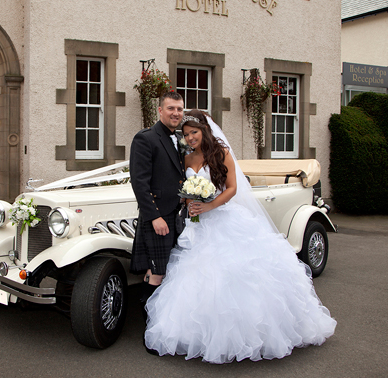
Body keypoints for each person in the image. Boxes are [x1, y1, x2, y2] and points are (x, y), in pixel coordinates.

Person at [144, 109, 337, 363]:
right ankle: (197, 335)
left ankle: (243, 335)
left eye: (194, 132)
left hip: (224, 217)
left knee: (232, 274)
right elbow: (184, 188)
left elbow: (232, 188)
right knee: (197, 277)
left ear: (205, 130)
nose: (190, 138)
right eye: (186, 134)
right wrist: (191, 201)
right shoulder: (187, 158)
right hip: (198, 225)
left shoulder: (221, 153)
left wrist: (210, 205)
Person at [130, 91, 185, 334]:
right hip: (159, 217)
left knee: (169, 270)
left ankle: (165, 324)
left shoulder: (181, 138)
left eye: (179, 109)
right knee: (157, 273)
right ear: (160, 110)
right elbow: (139, 183)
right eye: (171, 108)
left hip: (179, 216)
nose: (176, 113)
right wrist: (155, 217)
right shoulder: (146, 138)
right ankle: (152, 331)